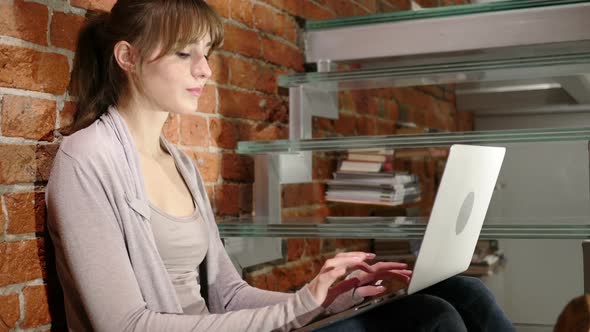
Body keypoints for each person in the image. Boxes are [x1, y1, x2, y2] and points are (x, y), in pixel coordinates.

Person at [45, 0, 515, 331]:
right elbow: (124, 325)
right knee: (433, 319)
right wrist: (300, 307)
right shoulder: (86, 160)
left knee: (466, 293)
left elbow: (228, 295)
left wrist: (331, 296)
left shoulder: (181, 163)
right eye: (185, 53)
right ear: (126, 57)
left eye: (206, 53)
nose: (205, 69)